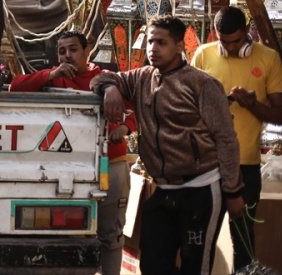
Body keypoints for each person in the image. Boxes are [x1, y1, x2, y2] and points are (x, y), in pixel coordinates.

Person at [92, 15, 244, 275]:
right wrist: (110, 89)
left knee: (196, 267)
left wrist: (233, 191)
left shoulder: (203, 84)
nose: (153, 48)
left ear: (179, 46)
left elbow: (226, 139)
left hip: (202, 189)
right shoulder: (142, 77)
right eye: (150, 42)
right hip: (163, 189)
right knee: (152, 265)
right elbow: (100, 78)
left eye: (161, 43)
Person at [10, 31, 135, 275]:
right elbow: (15, 87)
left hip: (110, 164)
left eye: (73, 49)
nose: (67, 56)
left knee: (111, 234)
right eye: (61, 51)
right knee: (69, 235)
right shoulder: (54, 79)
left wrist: (125, 128)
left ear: (87, 50)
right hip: (65, 171)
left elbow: (135, 110)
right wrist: (50, 74)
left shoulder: (107, 79)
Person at [191, 6, 282, 272]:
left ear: (246, 32)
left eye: (236, 42)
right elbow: (186, 107)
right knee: (200, 242)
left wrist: (252, 104)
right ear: (215, 35)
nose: (231, 48)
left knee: (243, 243)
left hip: (246, 167)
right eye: (224, 42)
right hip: (206, 165)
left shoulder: (268, 58)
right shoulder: (203, 54)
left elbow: (279, 116)